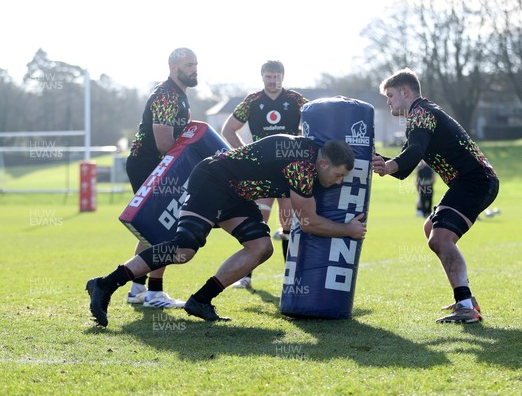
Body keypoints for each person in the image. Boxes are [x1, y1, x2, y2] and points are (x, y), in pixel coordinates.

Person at [86, 135, 367, 327]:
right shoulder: (303, 167)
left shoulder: (316, 151)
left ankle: (200, 301)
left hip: (237, 193)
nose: (338, 181)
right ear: (322, 164)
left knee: (262, 247)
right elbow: (310, 222)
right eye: (338, 175)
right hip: (213, 179)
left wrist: (379, 159)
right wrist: (349, 230)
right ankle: (105, 284)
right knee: (184, 249)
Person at [372, 68, 499, 324]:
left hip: (474, 181)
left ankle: (465, 306)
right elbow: (406, 165)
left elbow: (413, 152)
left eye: (391, 96)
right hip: (472, 181)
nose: (388, 102)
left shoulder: (421, 114)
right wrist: (380, 162)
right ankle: (466, 298)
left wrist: (387, 165)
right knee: (431, 227)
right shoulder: (421, 115)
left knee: (440, 238)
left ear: (405, 91)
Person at [221, 60, 309, 289]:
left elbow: (316, 119)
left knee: (289, 221)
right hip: (262, 170)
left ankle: (292, 278)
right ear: (262, 77)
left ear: (283, 76)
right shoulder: (252, 101)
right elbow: (228, 130)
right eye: (270, 77)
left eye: (277, 76)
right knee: (259, 221)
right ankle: (246, 277)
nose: (274, 81)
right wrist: (246, 155)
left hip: (291, 169)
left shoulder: (296, 100)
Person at [123, 47, 198, 308]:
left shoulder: (179, 95)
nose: (194, 69)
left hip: (154, 165)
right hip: (149, 164)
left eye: (195, 64)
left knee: (151, 230)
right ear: (173, 68)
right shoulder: (167, 95)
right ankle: (154, 293)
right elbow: (165, 144)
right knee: (165, 228)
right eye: (189, 65)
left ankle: (136, 290)